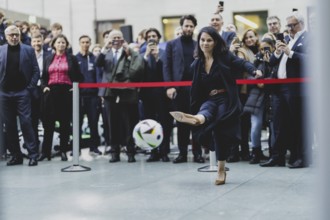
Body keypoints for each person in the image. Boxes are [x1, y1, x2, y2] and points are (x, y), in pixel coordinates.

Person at [170, 26, 262, 185]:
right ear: (199, 42)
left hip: (226, 98)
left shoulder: (224, 56)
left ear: (215, 42)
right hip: (210, 98)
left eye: (209, 40)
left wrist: (254, 71)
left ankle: (221, 170)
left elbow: (241, 63)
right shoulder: (197, 64)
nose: (205, 43)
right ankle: (196, 119)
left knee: (219, 128)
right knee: (206, 109)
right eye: (202, 40)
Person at [260, 12, 310, 168]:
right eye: (287, 25)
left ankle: (300, 157)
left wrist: (291, 52)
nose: (288, 29)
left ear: (299, 24)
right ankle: (277, 156)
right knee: (278, 124)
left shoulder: (309, 38)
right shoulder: (287, 39)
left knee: (297, 124)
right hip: (279, 87)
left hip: (295, 88)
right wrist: (278, 51)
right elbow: (272, 62)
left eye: (291, 25)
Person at [96, 29, 144, 163]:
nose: (116, 40)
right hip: (109, 93)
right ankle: (114, 152)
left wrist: (128, 49)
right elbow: (98, 64)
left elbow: (138, 65)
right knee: (112, 123)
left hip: (126, 92)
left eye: (119, 38)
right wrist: (106, 46)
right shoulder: (106, 52)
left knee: (129, 122)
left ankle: (130, 152)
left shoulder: (128, 52)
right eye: (113, 38)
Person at [163, 15, 204, 164]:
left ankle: (197, 153)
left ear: (194, 28)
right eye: (186, 26)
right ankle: (182, 153)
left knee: (196, 121)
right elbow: (166, 66)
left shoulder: (198, 44)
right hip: (178, 89)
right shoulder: (171, 44)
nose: (188, 28)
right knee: (181, 122)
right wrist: (169, 86)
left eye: (191, 26)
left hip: (196, 88)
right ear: (181, 27)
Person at [39, 34, 83, 161]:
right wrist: (44, 87)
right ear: (54, 44)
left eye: (63, 42)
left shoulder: (72, 59)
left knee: (64, 123)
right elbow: (43, 77)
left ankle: (63, 151)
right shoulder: (48, 58)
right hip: (51, 92)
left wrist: (75, 87)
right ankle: (45, 152)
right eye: (58, 42)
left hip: (66, 92)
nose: (61, 45)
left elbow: (79, 76)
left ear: (66, 44)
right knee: (48, 124)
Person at [0, 25, 40, 166]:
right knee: (9, 126)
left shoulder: (28, 50)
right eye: (11, 35)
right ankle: (16, 156)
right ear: (6, 36)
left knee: (26, 123)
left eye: (16, 34)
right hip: (4, 93)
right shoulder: (1, 50)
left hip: (23, 92)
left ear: (20, 35)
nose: (14, 37)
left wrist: (29, 88)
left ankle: (33, 155)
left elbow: (36, 71)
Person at [140, 28, 172, 162]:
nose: (152, 38)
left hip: (162, 93)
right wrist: (146, 56)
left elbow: (167, 69)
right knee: (149, 123)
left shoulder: (164, 52)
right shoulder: (142, 54)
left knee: (165, 122)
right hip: (147, 94)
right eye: (149, 37)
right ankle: (153, 151)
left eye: (154, 36)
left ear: (159, 38)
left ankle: (164, 151)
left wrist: (158, 56)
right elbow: (138, 70)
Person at [76, 35, 102, 155]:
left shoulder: (94, 58)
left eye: (87, 42)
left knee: (93, 122)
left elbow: (99, 76)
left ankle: (94, 147)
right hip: (79, 96)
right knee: (78, 123)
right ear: (79, 43)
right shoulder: (75, 58)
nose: (85, 44)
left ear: (90, 43)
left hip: (93, 95)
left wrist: (99, 93)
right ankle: (77, 148)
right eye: (83, 42)